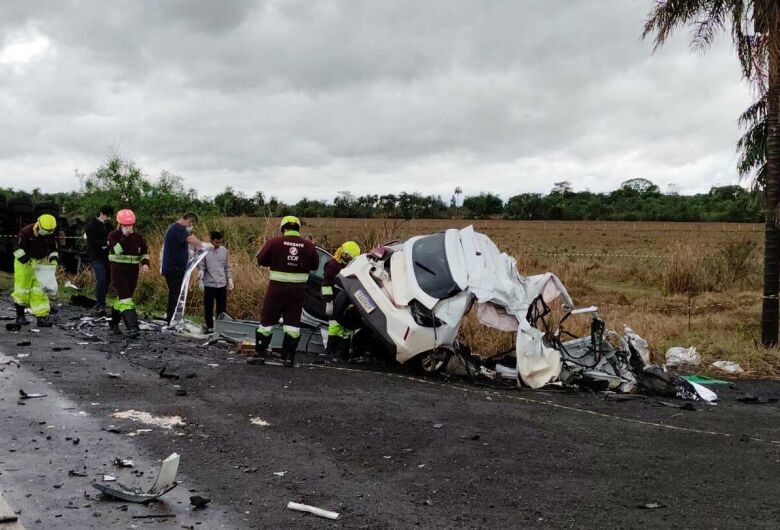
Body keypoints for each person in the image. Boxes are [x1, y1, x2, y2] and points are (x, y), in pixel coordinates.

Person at [248, 215, 318, 367]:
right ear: (298, 228)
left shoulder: (274, 242)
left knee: (267, 321)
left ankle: (259, 356)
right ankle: (289, 359)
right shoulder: (309, 246)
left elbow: (261, 260)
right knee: (293, 325)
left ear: (283, 228)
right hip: (297, 293)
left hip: (276, 291)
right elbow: (315, 266)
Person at [12, 214, 60, 327]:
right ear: (39, 225)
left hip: (41, 262)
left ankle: (41, 318)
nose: (49, 233)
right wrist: (27, 260)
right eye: (47, 231)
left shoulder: (51, 234)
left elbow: (54, 250)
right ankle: (20, 317)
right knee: (22, 290)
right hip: (24, 264)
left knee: (40, 291)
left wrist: (54, 261)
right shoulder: (26, 232)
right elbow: (17, 249)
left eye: (51, 231)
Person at [107, 209, 150, 338]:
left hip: (133, 272)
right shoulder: (113, 235)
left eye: (130, 225)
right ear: (119, 224)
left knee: (123, 298)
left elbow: (144, 252)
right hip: (118, 271)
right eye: (125, 225)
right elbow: (116, 250)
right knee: (126, 299)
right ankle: (133, 328)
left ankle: (113, 322)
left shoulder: (138, 237)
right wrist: (124, 237)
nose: (128, 227)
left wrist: (145, 263)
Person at [161, 213, 210, 324]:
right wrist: (203, 244)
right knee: (176, 294)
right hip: (174, 269)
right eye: (190, 223)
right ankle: (172, 319)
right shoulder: (178, 228)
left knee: (175, 294)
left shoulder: (174, 228)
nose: (190, 226)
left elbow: (189, 239)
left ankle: (171, 317)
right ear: (188, 220)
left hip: (174, 268)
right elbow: (189, 239)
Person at [321, 241, 361, 363]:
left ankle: (343, 354)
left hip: (344, 302)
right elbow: (326, 285)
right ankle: (330, 353)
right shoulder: (332, 266)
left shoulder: (348, 267)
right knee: (335, 327)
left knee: (345, 328)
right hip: (334, 301)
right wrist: (329, 301)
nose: (346, 258)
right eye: (346, 256)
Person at [198, 231, 234, 333]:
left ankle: (220, 328)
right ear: (211, 240)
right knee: (208, 307)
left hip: (221, 284)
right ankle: (209, 326)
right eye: (216, 242)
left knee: (221, 308)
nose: (218, 244)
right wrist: (200, 280)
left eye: (220, 242)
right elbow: (201, 266)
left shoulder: (224, 251)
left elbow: (227, 266)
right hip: (209, 283)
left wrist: (230, 279)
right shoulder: (205, 251)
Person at [85, 205, 114, 315]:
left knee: (107, 280)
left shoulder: (110, 226)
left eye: (110, 216)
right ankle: (100, 304)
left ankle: (102, 301)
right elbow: (91, 241)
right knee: (101, 279)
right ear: (101, 214)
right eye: (107, 216)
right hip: (96, 256)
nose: (108, 218)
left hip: (107, 257)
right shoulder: (92, 225)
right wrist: (105, 243)